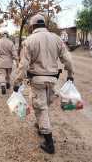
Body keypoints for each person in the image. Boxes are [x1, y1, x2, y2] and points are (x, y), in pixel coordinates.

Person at [13, 14, 74, 154]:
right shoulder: (57, 39)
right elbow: (68, 60)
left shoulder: (29, 41)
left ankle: (49, 143)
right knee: (44, 106)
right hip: (53, 81)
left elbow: (23, 65)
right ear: (44, 25)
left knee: (41, 109)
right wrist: (71, 76)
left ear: (33, 26)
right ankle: (41, 125)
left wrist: (17, 82)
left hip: (37, 81)